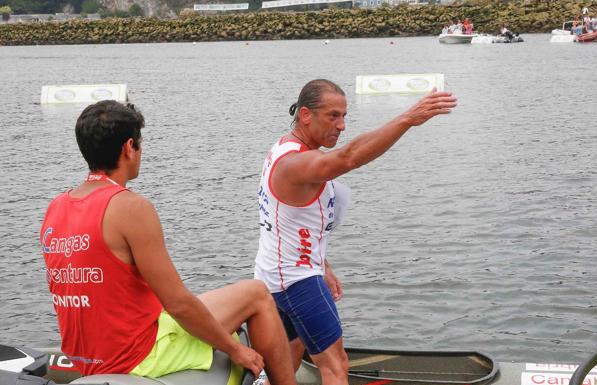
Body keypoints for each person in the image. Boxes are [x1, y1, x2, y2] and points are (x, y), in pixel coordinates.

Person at [40, 100, 296, 385]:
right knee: (257, 294)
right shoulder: (129, 207)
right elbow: (177, 303)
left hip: (87, 355)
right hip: (136, 355)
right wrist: (236, 350)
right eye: (140, 143)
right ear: (128, 147)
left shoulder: (57, 206)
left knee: (219, 301)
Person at [253, 79, 457, 385]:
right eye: (333, 116)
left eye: (344, 116)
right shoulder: (294, 163)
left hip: (274, 275)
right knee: (335, 365)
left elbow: (291, 223)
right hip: (296, 281)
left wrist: (322, 263)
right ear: (306, 115)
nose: (342, 125)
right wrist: (407, 119)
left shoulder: (285, 146)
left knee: (290, 359)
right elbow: (348, 158)